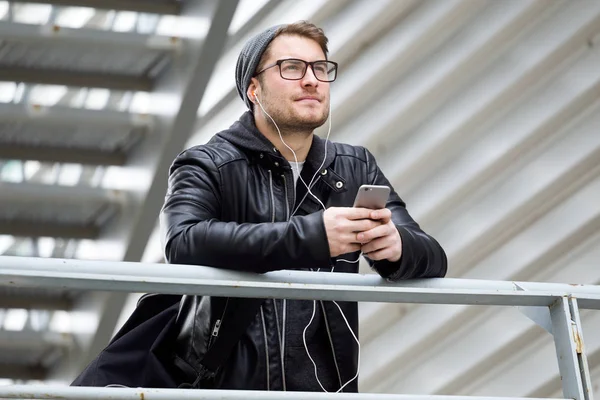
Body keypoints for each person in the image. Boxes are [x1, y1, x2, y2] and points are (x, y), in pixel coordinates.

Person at [159, 21, 447, 393]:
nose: (311, 80)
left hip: (327, 388)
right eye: (292, 68)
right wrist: (314, 235)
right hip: (223, 386)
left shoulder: (354, 165)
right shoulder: (207, 163)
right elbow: (182, 243)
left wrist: (397, 247)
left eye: (320, 68)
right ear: (254, 89)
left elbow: (433, 256)